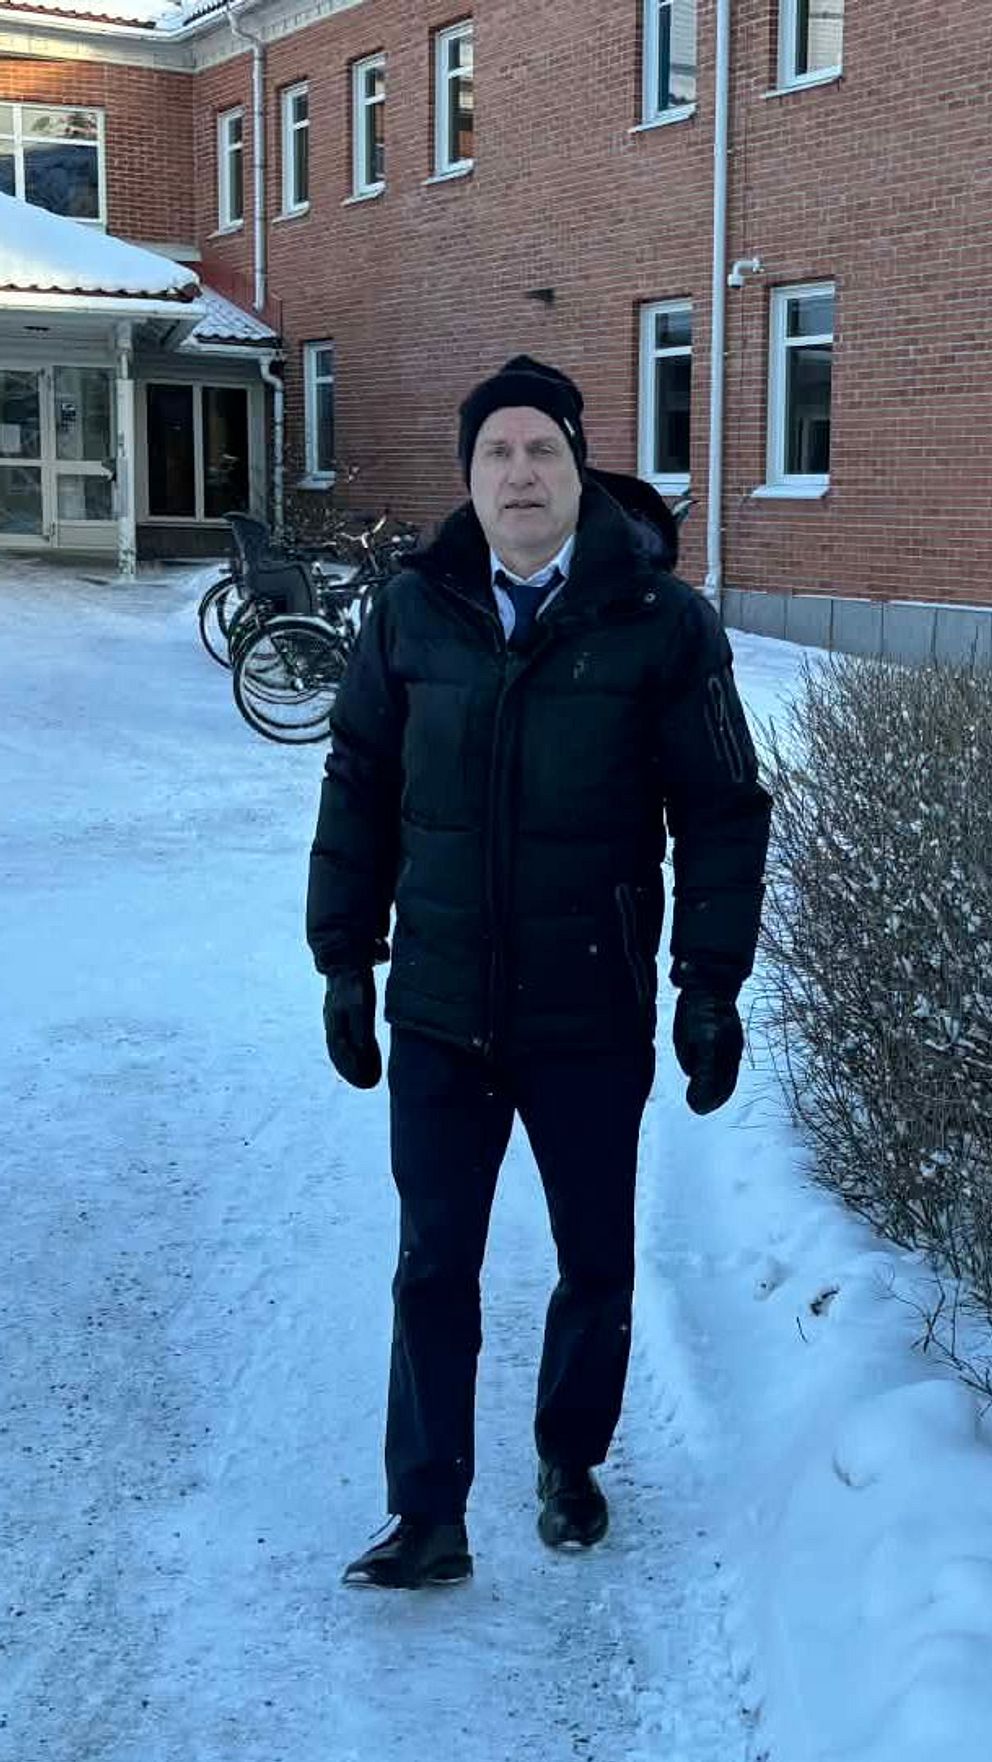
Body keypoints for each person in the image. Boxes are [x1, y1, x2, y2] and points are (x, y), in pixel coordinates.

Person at [306, 356, 772, 1590]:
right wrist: (343, 955)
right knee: (432, 1260)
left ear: (578, 467)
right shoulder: (412, 611)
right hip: (442, 1005)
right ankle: (427, 1511)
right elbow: (358, 780)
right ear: (467, 478)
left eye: (541, 450)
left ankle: (569, 1456)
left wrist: (708, 981)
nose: (519, 474)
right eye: (495, 453)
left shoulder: (658, 620)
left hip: (587, 1002)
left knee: (592, 1252)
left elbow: (721, 807)